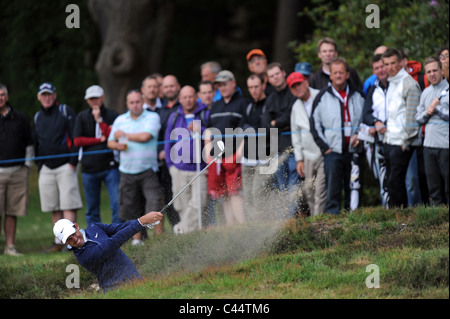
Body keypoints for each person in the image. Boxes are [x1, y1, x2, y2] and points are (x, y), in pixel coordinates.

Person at [53, 210, 163, 293]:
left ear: (76, 226)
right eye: (69, 240)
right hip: (115, 290)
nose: (75, 240)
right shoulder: (84, 256)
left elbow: (120, 228)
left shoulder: (94, 227)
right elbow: (113, 243)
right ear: (65, 243)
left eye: (73, 234)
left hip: (136, 279)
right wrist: (141, 221)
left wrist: (145, 221)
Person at [310, 58, 365, 215]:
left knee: (354, 188)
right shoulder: (321, 97)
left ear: (347, 74)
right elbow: (314, 125)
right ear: (331, 76)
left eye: (341, 72)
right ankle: (332, 220)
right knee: (333, 190)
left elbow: (366, 120)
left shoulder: (358, 95)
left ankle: (353, 219)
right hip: (332, 151)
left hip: (355, 150)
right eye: (335, 73)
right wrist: (325, 148)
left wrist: (360, 135)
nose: (339, 75)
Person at [33, 82, 82, 253]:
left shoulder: (65, 112)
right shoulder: (38, 117)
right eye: (43, 95)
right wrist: (39, 165)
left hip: (65, 166)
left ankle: (71, 242)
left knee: (68, 204)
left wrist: (73, 162)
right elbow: (36, 142)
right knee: (53, 206)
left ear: (54, 96)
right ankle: (59, 241)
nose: (46, 98)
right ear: (39, 97)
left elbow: (76, 138)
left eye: (49, 94)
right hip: (46, 167)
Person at [107, 90, 162, 245]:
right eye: (132, 102)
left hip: (148, 169)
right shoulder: (120, 120)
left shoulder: (152, 116)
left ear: (143, 101)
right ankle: (137, 241)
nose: (135, 105)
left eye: (138, 101)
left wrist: (125, 134)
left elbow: (145, 137)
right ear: (127, 104)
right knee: (131, 207)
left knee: (154, 203)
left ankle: (160, 239)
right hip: (126, 170)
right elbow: (110, 142)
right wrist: (117, 144)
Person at [73, 85, 121, 226]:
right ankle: (96, 236)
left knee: (116, 204)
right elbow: (77, 140)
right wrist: (98, 140)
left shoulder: (112, 115)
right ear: (87, 100)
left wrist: (99, 120)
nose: (94, 101)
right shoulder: (81, 117)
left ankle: (119, 234)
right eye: (91, 98)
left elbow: (112, 136)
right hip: (89, 168)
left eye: (97, 98)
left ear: (103, 98)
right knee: (92, 209)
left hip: (110, 167)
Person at [164, 86, 209, 234]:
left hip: (200, 167)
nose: (188, 100)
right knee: (180, 204)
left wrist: (200, 130)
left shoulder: (204, 113)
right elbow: (167, 142)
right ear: (180, 99)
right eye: (185, 97)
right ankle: (190, 235)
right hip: (179, 168)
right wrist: (171, 166)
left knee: (199, 201)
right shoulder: (174, 117)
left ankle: (182, 229)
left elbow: (213, 134)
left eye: (191, 97)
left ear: (195, 97)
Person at [205, 70, 247, 225]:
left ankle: (242, 224)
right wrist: (208, 152)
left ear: (233, 83)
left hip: (234, 155)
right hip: (217, 157)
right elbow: (209, 129)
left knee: (235, 192)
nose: (222, 88)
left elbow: (245, 130)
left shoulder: (242, 103)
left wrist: (239, 153)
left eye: (225, 84)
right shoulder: (216, 106)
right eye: (219, 85)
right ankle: (230, 226)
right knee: (223, 194)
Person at [382, 48, 422, 208]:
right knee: (391, 183)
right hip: (390, 141)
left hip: (403, 143)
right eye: (386, 64)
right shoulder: (391, 82)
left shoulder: (409, 84)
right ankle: (395, 216)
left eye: (393, 63)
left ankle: (400, 217)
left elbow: (413, 119)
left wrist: (405, 143)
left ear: (400, 62)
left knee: (396, 183)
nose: (390, 67)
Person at [262, 62, 300, 217]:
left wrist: (275, 122)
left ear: (284, 73)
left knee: (293, 185)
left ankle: (289, 219)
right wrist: (277, 125)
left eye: (277, 74)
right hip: (277, 150)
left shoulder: (293, 93)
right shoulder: (270, 99)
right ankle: (284, 219)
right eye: (271, 76)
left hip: (293, 148)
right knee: (281, 186)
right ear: (268, 80)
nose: (275, 78)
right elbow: (264, 122)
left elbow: (291, 116)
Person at [0, 84, 33, 256]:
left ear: (7, 96)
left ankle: (10, 246)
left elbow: (29, 141)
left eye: (2, 94)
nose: (0, 98)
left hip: (17, 171)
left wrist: (27, 165)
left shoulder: (19, 117)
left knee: (12, 211)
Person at [288, 72, 326, 217]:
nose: (298, 88)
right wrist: (299, 160)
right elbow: (295, 136)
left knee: (321, 191)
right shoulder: (296, 107)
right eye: (294, 87)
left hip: (323, 152)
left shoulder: (321, 96)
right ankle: (315, 222)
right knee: (310, 191)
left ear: (305, 82)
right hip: (308, 155)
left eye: (299, 84)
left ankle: (318, 222)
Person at [415, 56, 449, 205]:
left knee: (448, 185)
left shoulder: (448, 90)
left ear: (442, 71)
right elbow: (418, 118)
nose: (432, 74)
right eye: (429, 72)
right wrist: (427, 112)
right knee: (433, 186)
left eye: (435, 70)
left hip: (446, 145)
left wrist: (437, 108)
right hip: (429, 145)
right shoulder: (426, 93)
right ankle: (436, 218)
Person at [239, 73, 270, 218]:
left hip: (265, 155)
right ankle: (253, 224)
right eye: (250, 87)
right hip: (247, 155)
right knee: (248, 195)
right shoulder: (248, 105)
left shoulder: (269, 103)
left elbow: (267, 128)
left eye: (256, 86)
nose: (254, 90)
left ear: (263, 85)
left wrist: (251, 129)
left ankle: (262, 222)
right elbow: (241, 125)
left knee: (259, 193)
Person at [362, 54, 390, 207]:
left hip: (399, 139)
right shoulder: (373, 89)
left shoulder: (397, 84)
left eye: (382, 66)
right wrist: (376, 122)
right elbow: (365, 114)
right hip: (380, 141)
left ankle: (408, 211)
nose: (380, 70)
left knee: (406, 180)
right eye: (376, 68)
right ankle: (389, 211)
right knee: (383, 180)